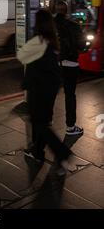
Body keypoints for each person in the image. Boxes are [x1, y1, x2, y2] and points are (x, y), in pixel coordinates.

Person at [17, 9, 72, 173]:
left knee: (39, 124)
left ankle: (62, 153)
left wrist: (25, 85)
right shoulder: (52, 39)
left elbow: (23, 58)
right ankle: (37, 152)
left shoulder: (39, 40)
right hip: (51, 88)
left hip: (39, 89)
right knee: (42, 121)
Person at [54, 1, 85, 136]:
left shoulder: (49, 26)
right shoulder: (74, 25)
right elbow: (82, 45)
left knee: (50, 96)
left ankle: (46, 125)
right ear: (66, 11)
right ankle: (70, 127)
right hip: (71, 65)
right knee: (70, 96)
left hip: (54, 65)